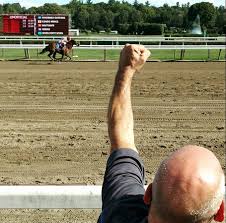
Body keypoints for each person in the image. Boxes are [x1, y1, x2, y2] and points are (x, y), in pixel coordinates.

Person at [98, 44, 225, 223]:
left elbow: (122, 140)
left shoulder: (121, 211)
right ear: (220, 212)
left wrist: (126, 71)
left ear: (148, 194)